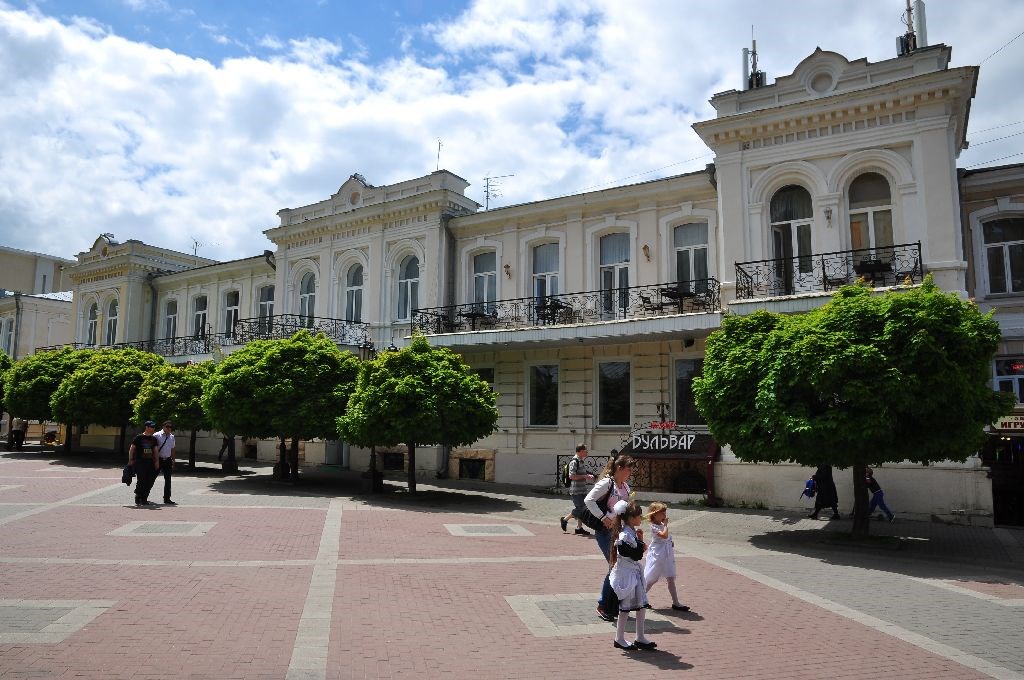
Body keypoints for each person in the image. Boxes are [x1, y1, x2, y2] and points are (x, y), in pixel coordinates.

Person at [585, 453, 634, 622]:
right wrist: (603, 517)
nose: (630, 471)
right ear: (619, 468)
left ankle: (614, 604)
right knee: (614, 566)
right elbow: (588, 500)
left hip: (618, 531)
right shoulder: (607, 483)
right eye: (628, 468)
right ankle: (603, 605)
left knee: (618, 566)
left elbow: (624, 510)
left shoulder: (625, 487)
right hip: (605, 532)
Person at [608, 500, 656, 651]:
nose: (641, 518)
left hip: (633, 573)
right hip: (627, 575)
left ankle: (640, 636)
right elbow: (632, 555)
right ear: (630, 518)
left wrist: (640, 542)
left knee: (641, 606)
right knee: (625, 607)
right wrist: (641, 546)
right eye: (638, 516)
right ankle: (619, 638)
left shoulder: (630, 533)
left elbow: (634, 553)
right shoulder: (624, 536)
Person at [643, 502, 689, 611]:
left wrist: (670, 542)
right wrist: (666, 525)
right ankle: (640, 599)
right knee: (651, 579)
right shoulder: (654, 526)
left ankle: (676, 602)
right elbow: (664, 535)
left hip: (667, 555)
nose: (664, 515)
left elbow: (667, 538)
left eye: (665, 512)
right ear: (654, 514)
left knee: (671, 578)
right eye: (662, 513)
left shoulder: (661, 525)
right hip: (658, 555)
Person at [560, 443, 595, 535]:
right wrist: (585, 476)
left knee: (582, 509)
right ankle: (564, 519)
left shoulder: (581, 461)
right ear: (580, 451)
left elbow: (581, 473)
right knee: (581, 509)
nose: (587, 452)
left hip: (582, 489)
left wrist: (589, 476)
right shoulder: (574, 461)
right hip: (576, 491)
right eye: (585, 450)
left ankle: (579, 528)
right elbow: (571, 476)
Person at [128, 421, 161, 507]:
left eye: (154, 427)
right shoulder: (139, 437)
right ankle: (138, 496)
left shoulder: (153, 439)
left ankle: (144, 498)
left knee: (149, 480)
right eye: (151, 427)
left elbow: (155, 450)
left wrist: (157, 461)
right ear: (146, 427)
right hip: (140, 462)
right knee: (141, 480)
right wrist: (131, 459)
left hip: (150, 462)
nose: (153, 428)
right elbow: (132, 448)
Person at [154, 421, 177, 505]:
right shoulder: (156, 435)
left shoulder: (172, 437)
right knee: (151, 478)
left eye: (171, 427)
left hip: (167, 460)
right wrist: (155, 461)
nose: (169, 428)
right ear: (163, 427)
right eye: (167, 426)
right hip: (158, 459)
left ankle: (167, 498)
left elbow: (173, 449)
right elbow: (153, 449)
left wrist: (173, 461)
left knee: (168, 480)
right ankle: (143, 496)